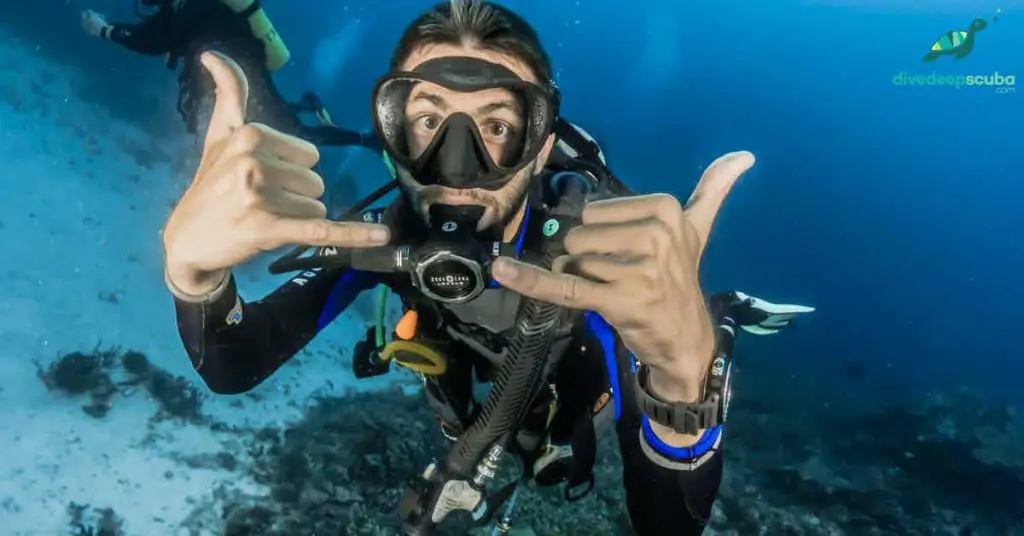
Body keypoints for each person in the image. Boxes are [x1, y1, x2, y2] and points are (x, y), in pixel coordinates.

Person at [160, 1, 814, 534]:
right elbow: (232, 361)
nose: (459, 166)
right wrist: (194, 274)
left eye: (498, 127)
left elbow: (669, 529)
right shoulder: (388, 235)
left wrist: (681, 376)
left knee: (578, 427)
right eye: (426, 121)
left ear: (540, 148)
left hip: (570, 391)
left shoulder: (596, 266)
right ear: (392, 136)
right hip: (475, 398)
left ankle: (717, 321)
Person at [80, 0, 377, 151]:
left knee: (292, 134)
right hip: (244, 71)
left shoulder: (187, 6)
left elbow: (150, 40)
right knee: (268, 124)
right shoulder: (183, 8)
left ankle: (367, 140)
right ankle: (304, 105)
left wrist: (105, 30)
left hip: (242, 75)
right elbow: (155, 35)